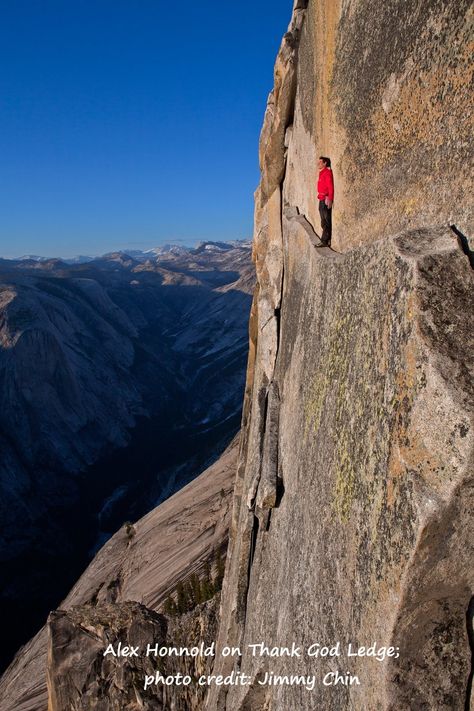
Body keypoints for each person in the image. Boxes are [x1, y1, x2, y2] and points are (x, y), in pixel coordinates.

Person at [317, 156, 334, 246]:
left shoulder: (327, 173)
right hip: (321, 198)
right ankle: (325, 240)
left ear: (325, 163)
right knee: (323, 220)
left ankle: (325, 241)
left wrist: (330, 199)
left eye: (320, 162)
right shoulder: (322, 173)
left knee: (326, 221)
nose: (318, 164)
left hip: (325, 200)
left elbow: (330, 187)